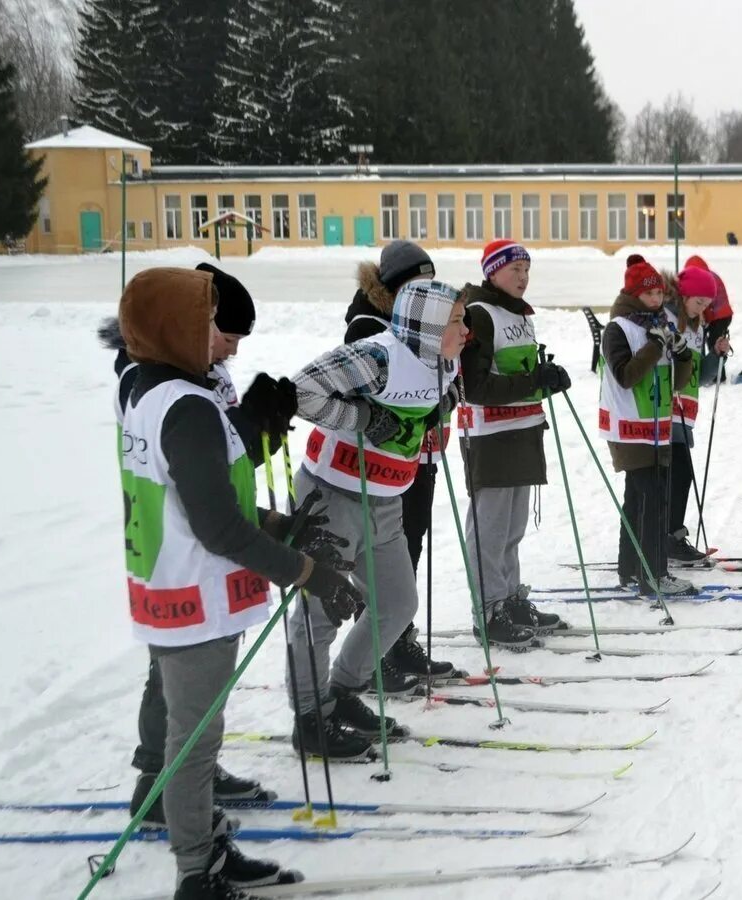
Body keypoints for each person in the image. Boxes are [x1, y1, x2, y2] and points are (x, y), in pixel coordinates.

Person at [116, 267, 362, 899]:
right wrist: (311, 574)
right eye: (210, 325)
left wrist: (282, 527)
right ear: (176, 328)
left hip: (171, 584)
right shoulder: (188, 407)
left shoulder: (150, 388)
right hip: (196, 595)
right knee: (194, 743)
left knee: (192, 734)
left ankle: (207, 848)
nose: (224, 342)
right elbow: (220, 527)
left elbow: (208, 500)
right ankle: (198, 872)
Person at [98, 263, 297, 828]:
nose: (229, 351)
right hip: (180, 557)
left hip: (180, 553)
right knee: (177, 680)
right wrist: (250, 427)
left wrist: (255, 425)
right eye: (222, 333)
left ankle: (181, 778)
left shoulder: (189, 375)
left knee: (183, 682)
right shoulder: (153, 382)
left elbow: (220, 457)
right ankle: (165, 782)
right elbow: (195, 473)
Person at [286, 278, 466, 758]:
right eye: (456, 321)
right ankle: (310, 715)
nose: (466, 329)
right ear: (427, 327)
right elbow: (300, 391)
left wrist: (440, 408)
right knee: (318, 614)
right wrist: (363, 419)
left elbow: (432, 399)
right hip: (332, 495)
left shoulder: (442, 359)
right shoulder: (377, 356)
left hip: (387, 497)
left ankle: (343, 692)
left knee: (395, 604)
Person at [342, 240, 463, 680]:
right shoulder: (368, 324)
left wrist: (444, 397)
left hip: (418, 456)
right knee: (381, 563)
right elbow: (368, 393)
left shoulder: (425, 323)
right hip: (377, 464)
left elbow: (447, 377)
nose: (425, 291)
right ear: (393, 286)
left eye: (430, 282)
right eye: (417, 282)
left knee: (411, 546)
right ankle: (373, 654)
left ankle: (400, 640)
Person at [457, 239, 573, 646]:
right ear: (492, 272)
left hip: (521, 432)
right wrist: (532, 381)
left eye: (526, 270)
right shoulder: (480, 313)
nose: (523, 278)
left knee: (511, 530)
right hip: (490, 436)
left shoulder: (517, 314)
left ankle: (508, 598)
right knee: (489, 530)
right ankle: (486, 611)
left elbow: (520, 370)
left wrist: (546, 377)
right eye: (514, 271)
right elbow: (475, 386)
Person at [599, 255, 697, 595]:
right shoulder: (619, 328)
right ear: (634, 295)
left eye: (659, 294)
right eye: (649, 294)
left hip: (655, 427)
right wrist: (656, 346)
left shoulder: (659, 324)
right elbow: (626, 375)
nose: (657, 300)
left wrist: (682, 354)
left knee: (638, 498)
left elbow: (677, 381)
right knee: (653, 499)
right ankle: (654, 574)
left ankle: (630, 569)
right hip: (628, 427)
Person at [666, 265, 718, 564]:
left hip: (686, 414)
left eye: (707, 305)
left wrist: (716, 356)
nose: (702, 309)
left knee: (681, 477)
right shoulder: (669, 320)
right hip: (665, 413)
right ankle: (669, 537)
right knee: (678, 475)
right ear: (683, 295)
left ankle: (671, 536)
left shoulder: (697, 328)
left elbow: (701, 377)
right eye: (698, 302)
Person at [682, 255, 734, 385]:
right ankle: (703, 366)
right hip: (715, 313)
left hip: (721, 315)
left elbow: (706, 307)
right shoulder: (704, 279)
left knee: (713, 340)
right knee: (702, 337)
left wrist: (703, 319)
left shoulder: (706, 282)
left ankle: (718, 377)